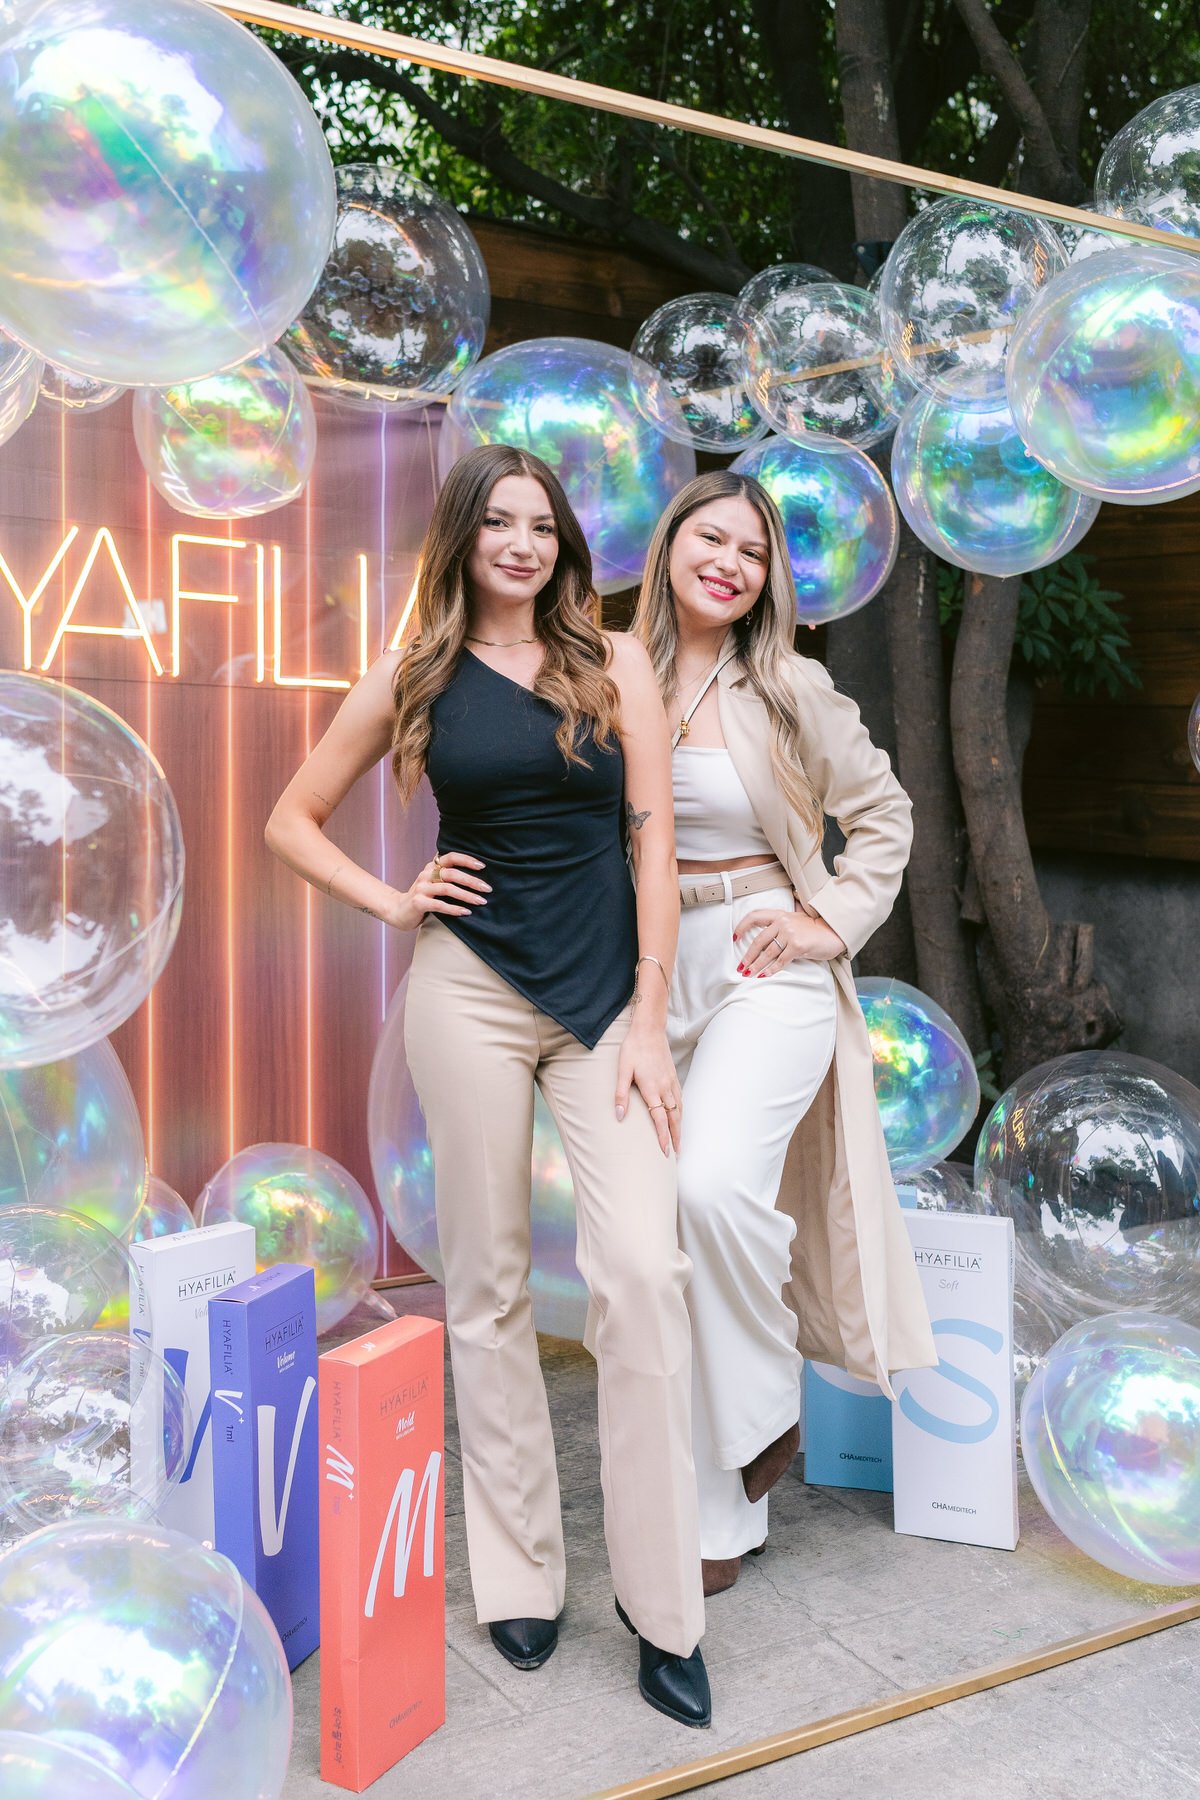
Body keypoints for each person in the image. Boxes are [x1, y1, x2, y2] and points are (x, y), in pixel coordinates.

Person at [266, 443, 710, 1728]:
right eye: (498, 523)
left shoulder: (613, 660)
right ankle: (519, 1574)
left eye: (541, 524)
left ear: (566, 542)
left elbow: (654, 843)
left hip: (604, 1002)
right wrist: (393, 898)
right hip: (464, 989)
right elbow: (293, 814)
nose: (521, 542)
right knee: (488, 1281)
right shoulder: (416, 672)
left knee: (640, 1275)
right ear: (463, 538)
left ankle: (663, 1606)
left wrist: (650, 1014)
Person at [632, 471, 937, 1597]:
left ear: (769, 580)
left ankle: (763, 1424)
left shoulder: (788, 683)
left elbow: (886, 816)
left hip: (767, 959)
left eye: (752, 552)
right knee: (664, 1231)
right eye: (710, 537)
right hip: (655, 977)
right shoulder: (614, 677)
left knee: (713, 1190)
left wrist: (828, 920)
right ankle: (721, 1513)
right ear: (669, 546)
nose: (729, 561)